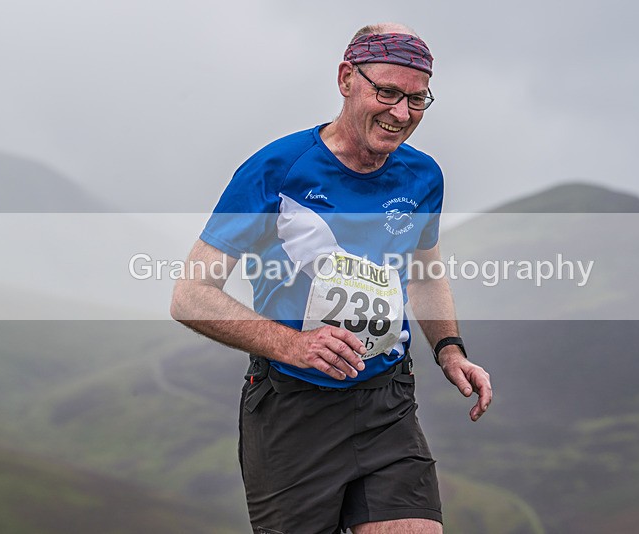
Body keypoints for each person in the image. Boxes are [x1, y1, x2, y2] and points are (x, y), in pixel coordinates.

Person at [170, 22, 492, 534]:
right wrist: (293, 345)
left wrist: (450, 349)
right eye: (386, 92)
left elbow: (426, 272)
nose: (401, 114)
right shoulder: (275, 170)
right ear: (346, 79)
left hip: (386, 398)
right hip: (292, 407)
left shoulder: (423, 176)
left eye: (416, 99)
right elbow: (190, 296)